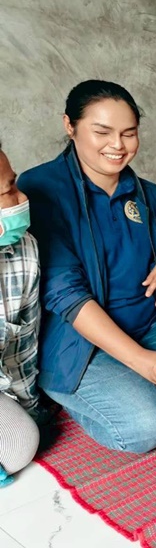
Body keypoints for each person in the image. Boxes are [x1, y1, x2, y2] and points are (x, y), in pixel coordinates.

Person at [18, 80, 156, 454]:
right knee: (147, 427)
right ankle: (65, 391)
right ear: (69, 126)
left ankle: (133, 386)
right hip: (79, 338)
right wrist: (142, 363)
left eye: (129, 133)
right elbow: (66, 295)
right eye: (102, 132)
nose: (118, 145)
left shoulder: (155, 198)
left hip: (150, 323)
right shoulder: (41, 189)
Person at [0, 143, 40, 486]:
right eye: (8, 191)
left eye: (13, 182)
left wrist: (27, 405)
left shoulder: (25, 250)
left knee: (19, 444)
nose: (21, 197)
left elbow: (22, 345)